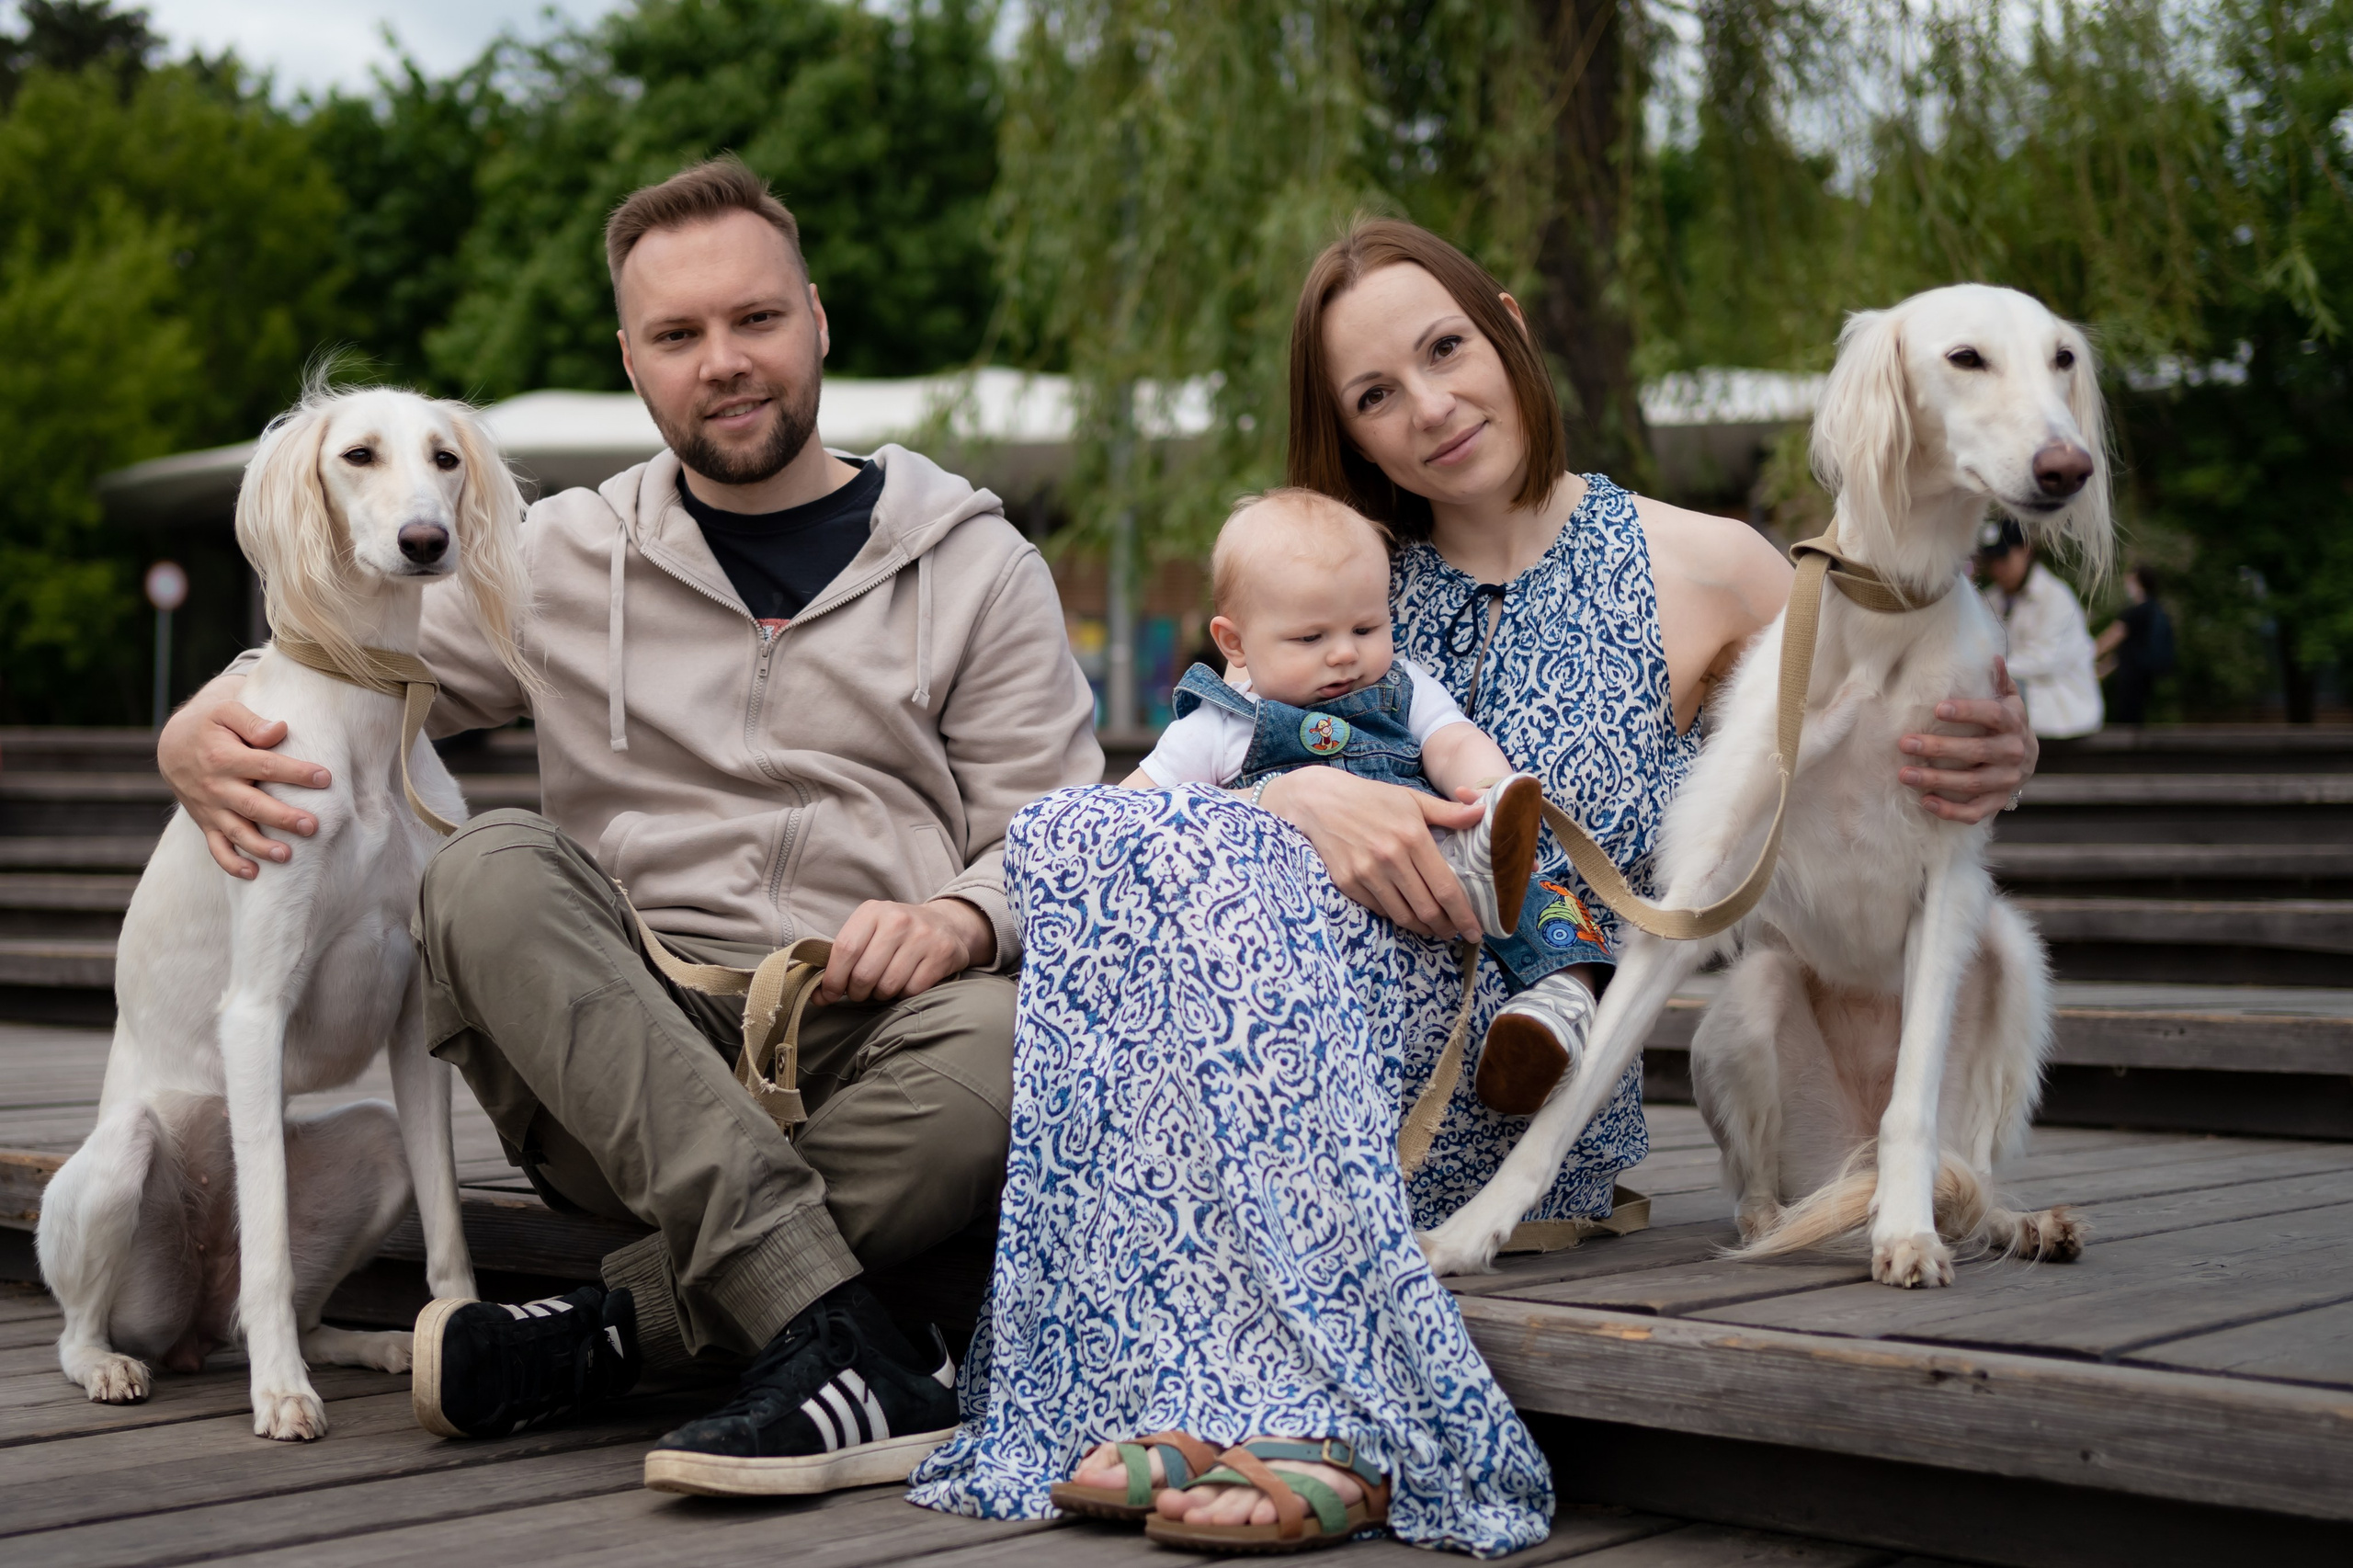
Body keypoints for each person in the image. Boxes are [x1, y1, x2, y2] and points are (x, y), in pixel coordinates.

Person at [908, 219, 2040, 1554]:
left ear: (1504, 326)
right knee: (1119, 838)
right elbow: (1196, 778)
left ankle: (1294, 1400)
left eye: (1446, 349)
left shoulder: (1715, 564)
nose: (1430, 408)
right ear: (1348, 432)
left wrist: (2000, 743)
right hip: (1285, 1071)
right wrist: (1290, 792)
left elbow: (1899, 721)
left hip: (1524, 1099)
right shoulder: (1331, 571)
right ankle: (1174, 1371)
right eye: (1375, 396)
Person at [155, 156, 1102, 1494]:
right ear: (632, 360)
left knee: (1019, 1037)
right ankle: (835, 1332)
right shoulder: (553, 555)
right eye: (678, 334)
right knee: (485, 868)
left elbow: (1057, 837)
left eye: (755, 320)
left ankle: (628, 1325)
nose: (723, 360)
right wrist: (198, 721)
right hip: (625, 1043)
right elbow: (343, 658)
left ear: (818, 320)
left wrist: (960, 914)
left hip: (875, 1035)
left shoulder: (977, 563)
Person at [1129, 486, 1610, 1109]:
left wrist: (1491, 794)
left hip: (1443, 859)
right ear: (1235, 643)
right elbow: (1132, 812)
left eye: (1367, 626)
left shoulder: (1401, 687)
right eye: (1309, 638)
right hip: (1308, 920)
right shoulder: (1220, 728)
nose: (1345, 654)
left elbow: (1451, 738)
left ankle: (1555, 1011)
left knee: (1545, 891)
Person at [1978, 517, 2103, 739]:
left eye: (2003, 558)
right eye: (1991, 560)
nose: (1997, 568)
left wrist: (1980, 671)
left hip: (2062, 714)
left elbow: (2043, 661)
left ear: (2025, 550)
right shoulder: (1991, 598)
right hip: (2022, 710)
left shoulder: (2056, 597)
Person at [2096, 565, 2175, 725]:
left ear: (2138, 582)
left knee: (2127, 716)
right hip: (2145, 673)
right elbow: (2127, 650)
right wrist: (2103, 668)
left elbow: (2111, 638)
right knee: (2137, 717)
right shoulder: (2155, 609)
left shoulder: (2135, 612)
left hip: (2131, 676)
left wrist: (2083, 655)